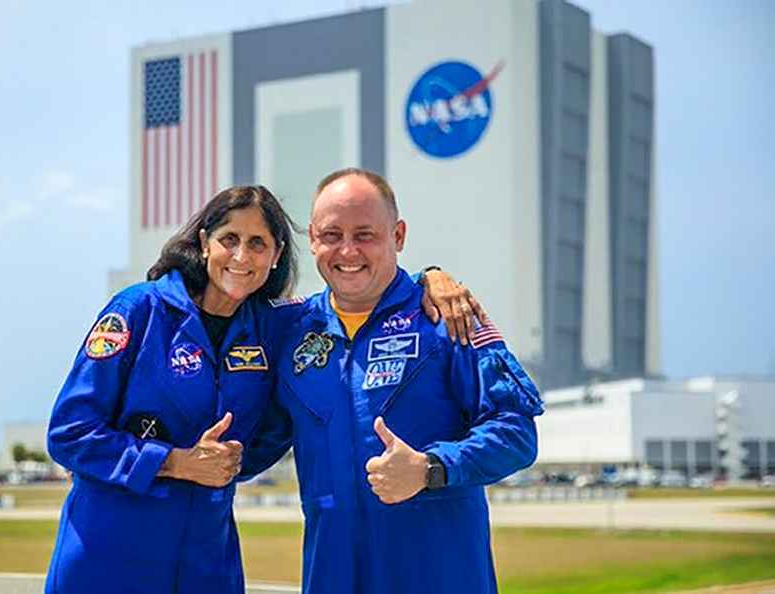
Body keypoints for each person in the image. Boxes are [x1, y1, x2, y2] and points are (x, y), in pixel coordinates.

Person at [45, 184, 479, 594]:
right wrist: (175, 463)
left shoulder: (278, 325)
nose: (241, 255)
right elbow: (70, 434)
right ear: (203, 242)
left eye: (257, 243)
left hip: (207, 560)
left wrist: (430, 278)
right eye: (229, 238)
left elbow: (364, 289)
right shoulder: (139, 310)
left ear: (276, 256)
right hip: (111, 549)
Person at [243, 169, 545, 594]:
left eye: (365, 234)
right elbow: (256, 442)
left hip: (440, 577)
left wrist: (430, 468)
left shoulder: (448, 318)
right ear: (311, 238)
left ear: (398, 235)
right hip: (333, 576)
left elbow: (517, 433)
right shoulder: (290, 330)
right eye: (332, 235)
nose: (347, 251)